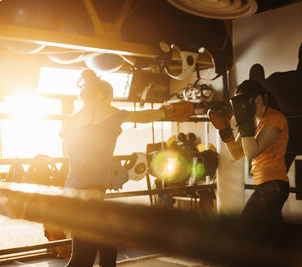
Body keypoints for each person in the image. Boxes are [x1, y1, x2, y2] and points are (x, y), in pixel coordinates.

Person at [60, 69, 194, 267]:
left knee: (108, 241)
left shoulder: (71, 120)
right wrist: (168, 110)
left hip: (73, 189)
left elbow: (78, 155)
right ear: (102, 96)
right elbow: (145, 116)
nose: (111, 103)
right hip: (89, 194)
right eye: (110, 98)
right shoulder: (106, 111)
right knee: (82, 260)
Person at [208, 79, 289, 241]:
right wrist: (225, 130)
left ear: (257, 100)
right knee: (274, 238)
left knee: (244, 231)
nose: (239, 108)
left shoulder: (274, 119)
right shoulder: (253, 121)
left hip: (273, 186)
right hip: (266, 186)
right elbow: (236, 153)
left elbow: (252, 152)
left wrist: (245, 124)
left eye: (241, 103)